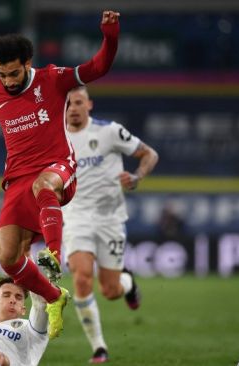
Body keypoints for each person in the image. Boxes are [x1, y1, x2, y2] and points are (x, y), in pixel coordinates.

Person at [0, 10, 122, 339]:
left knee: (43, 185)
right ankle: (54, 296)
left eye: (14, 73)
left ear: (28, 63)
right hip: (17, 179)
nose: (8, 81)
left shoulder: (53, 78)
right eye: (2, 74)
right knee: (8, 258)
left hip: (58, 167)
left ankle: (53, 258)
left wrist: (110, 34)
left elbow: (99, 66)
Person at [62, 86, 159, 363]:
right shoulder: (56, 137)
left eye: (78, 102)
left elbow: (149, 154)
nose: (73, 108)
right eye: (68, 103)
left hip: (110, 219)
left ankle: (127, 284)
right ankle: (99, 348)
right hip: (76, 216)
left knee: (110, 290)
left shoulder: (110, 131)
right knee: (81, 278)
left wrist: (137, 176)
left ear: (89, 105)